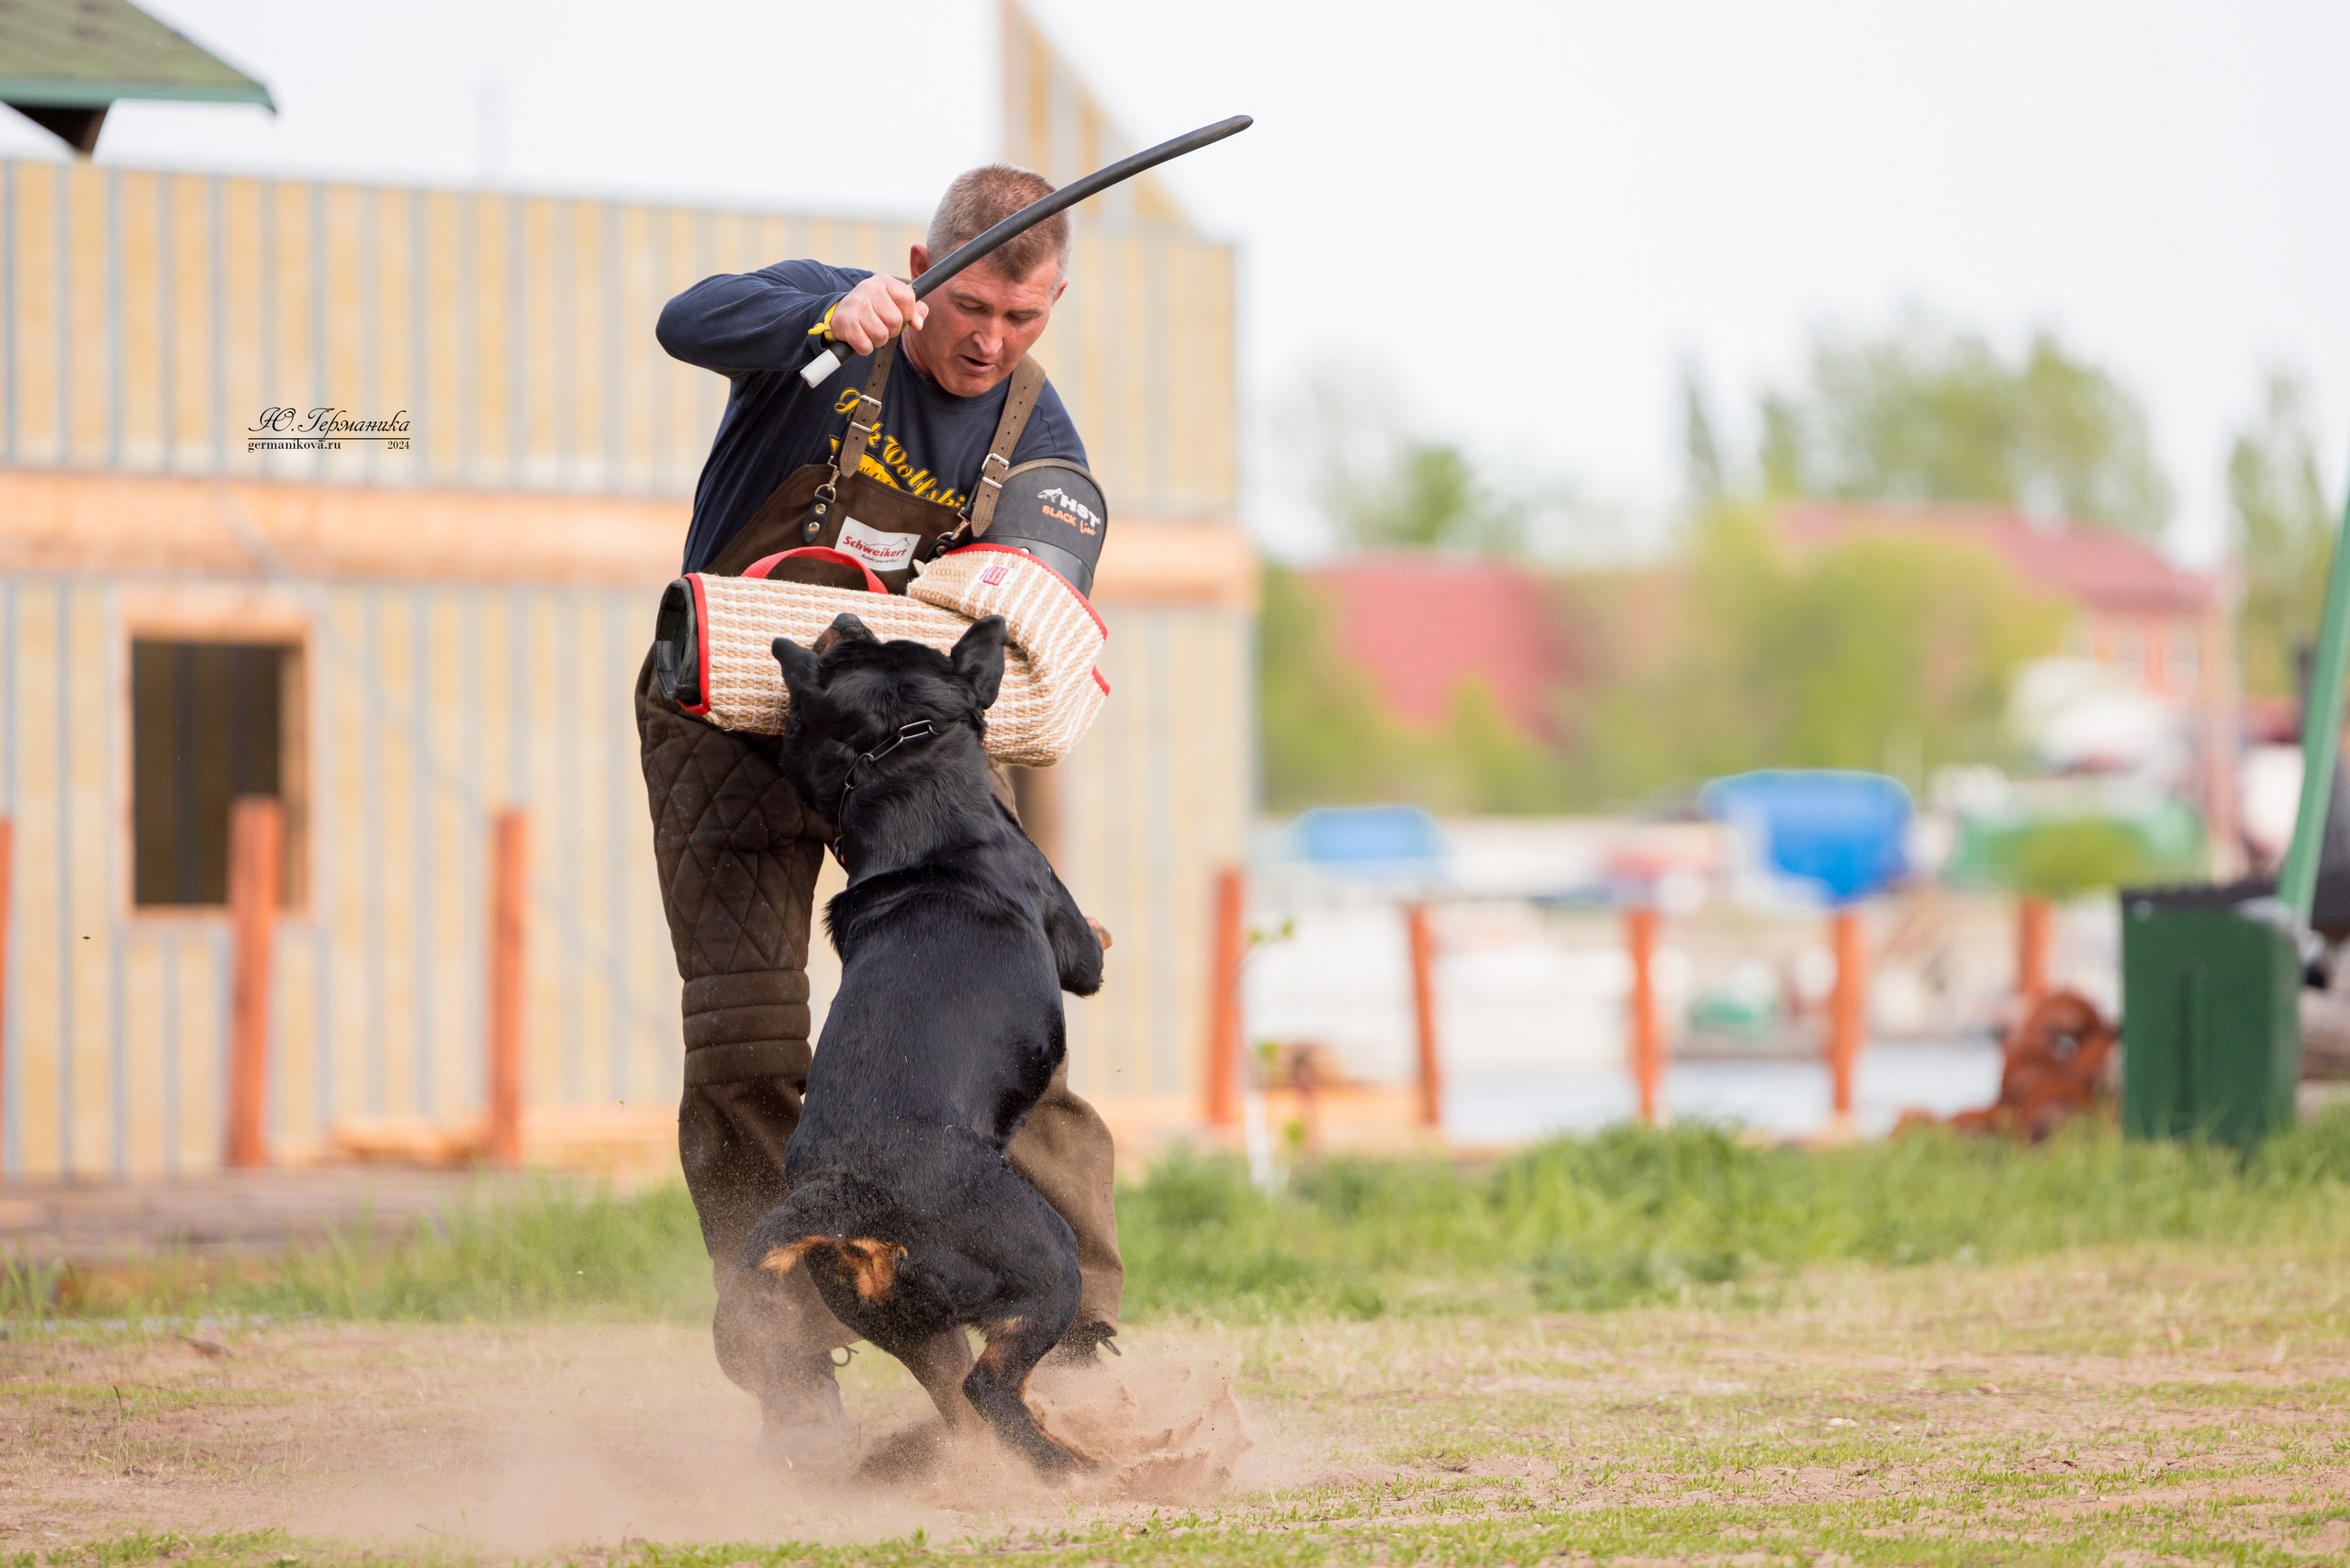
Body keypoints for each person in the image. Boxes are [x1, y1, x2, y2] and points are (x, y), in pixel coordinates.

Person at [635, 164, 1124, 1449]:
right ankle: (792, 1378)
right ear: (922, 266)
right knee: (743, 1044)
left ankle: (1067, 1346)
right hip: (729, 707)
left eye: (1025, 319)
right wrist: (817, 319)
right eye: (966, 304)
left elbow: (1038, 607)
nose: (988, 340)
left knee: (1007, 1033)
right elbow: (685, 318)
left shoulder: (1044, 436)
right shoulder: (830, 319)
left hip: (919, 739)